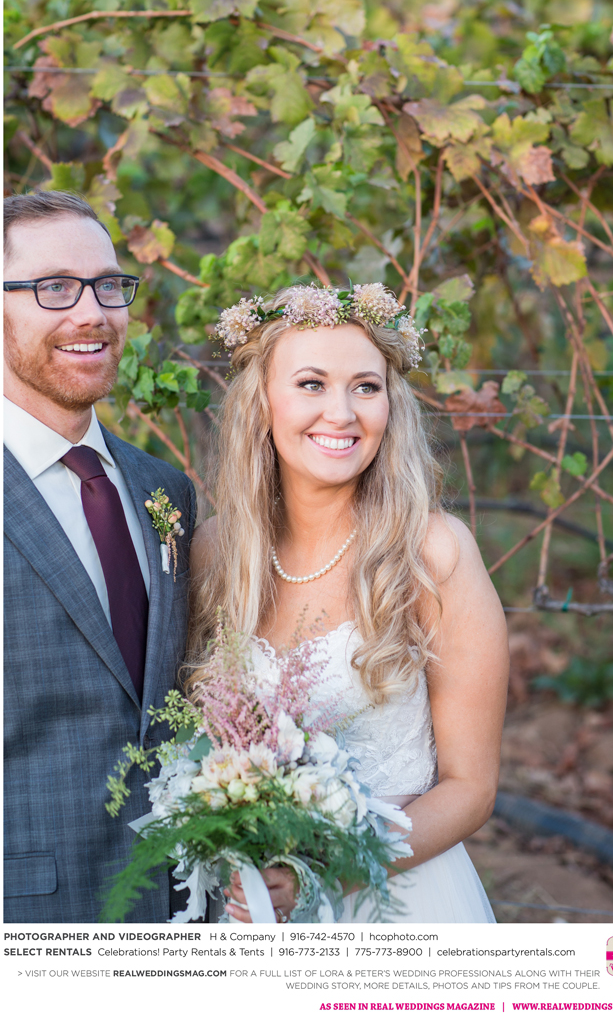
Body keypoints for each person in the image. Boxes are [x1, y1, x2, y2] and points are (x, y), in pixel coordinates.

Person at [188, 282, 509, 923]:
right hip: (248, 911)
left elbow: (471, 790)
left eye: (365, 387)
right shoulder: (216, 551)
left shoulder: (433, 553)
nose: (341, 413)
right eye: (311, 384)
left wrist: (324, 870)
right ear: (262, 403)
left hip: (395, 903)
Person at [3, 191, 196, 923]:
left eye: (108, 285)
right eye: (54, 287)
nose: (92, 313)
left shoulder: (165, 490)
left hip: (183, 910)